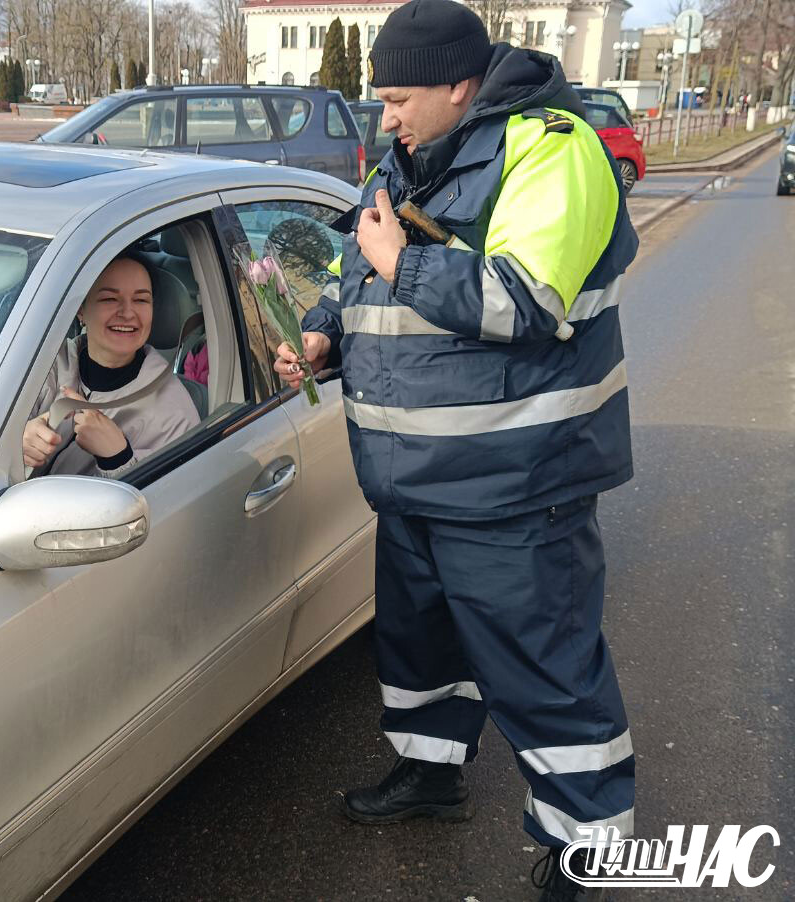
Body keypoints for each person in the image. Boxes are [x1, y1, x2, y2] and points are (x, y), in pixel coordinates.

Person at [273, 2, 637, 899]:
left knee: (545, 672)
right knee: (420, 650)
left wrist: (402, 263)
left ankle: (589, 848)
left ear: (459, 86)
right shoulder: (401, 166)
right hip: (410, 485)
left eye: (398, 96)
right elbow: (355, 279)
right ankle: (432, 775)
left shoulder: (552, 148)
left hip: (515, 488)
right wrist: (320, 332)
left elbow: (523, 302)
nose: (384, 117)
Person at [23, 255, 199, 478]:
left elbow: (175, 500)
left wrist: (119, 458)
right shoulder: (44, 365)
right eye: (109, 299)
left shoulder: (174, 412)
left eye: (141, 300)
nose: (127, 313)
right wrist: (17, 441)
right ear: (81, 310)